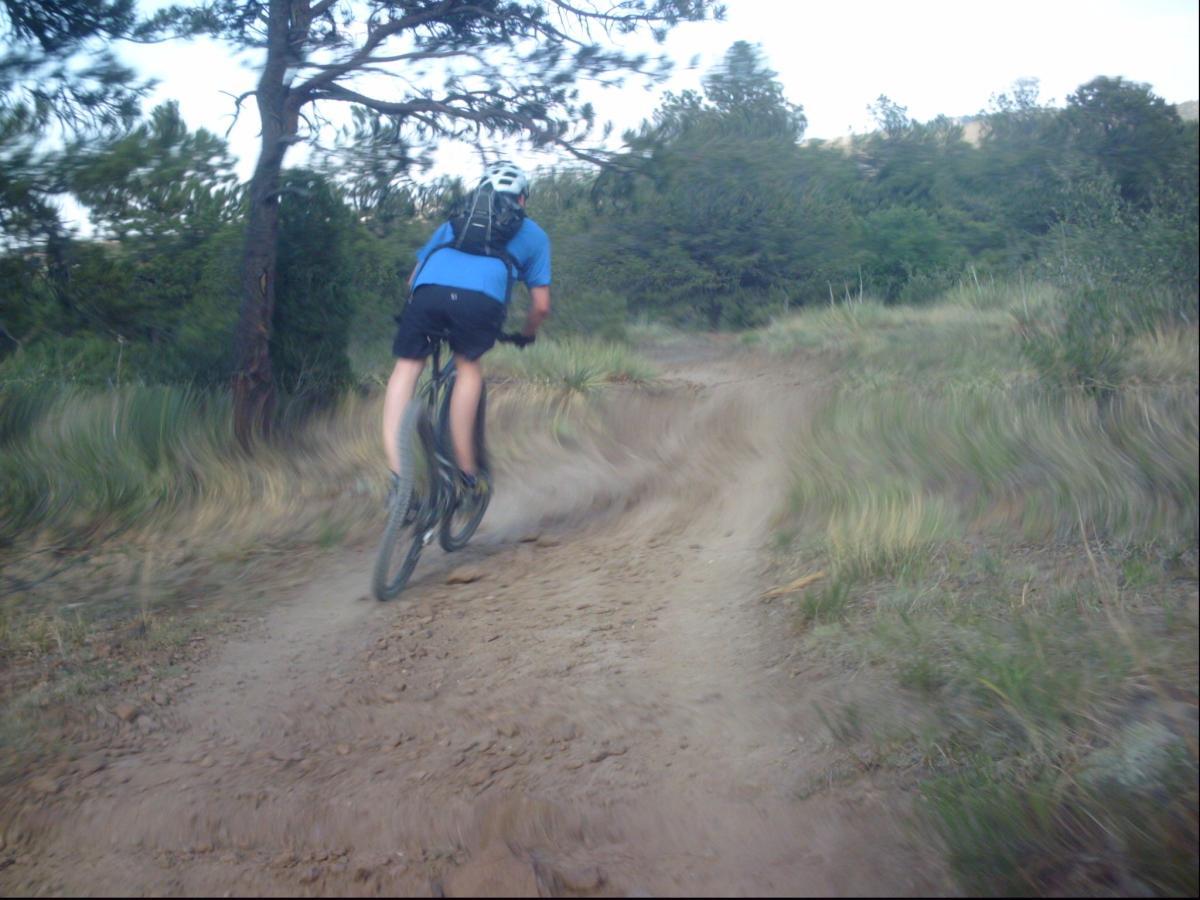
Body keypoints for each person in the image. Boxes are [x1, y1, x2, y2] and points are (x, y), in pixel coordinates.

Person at [382, 161, 551, 501]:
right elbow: (541, 305)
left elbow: (413, 277)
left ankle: (399, 479)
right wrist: (527, 333)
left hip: (428, 295)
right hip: (479, 303)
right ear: (522, 200)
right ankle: (467, 474)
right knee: (467, 368)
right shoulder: (534, 234)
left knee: (407, 368)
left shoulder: (456, 220)